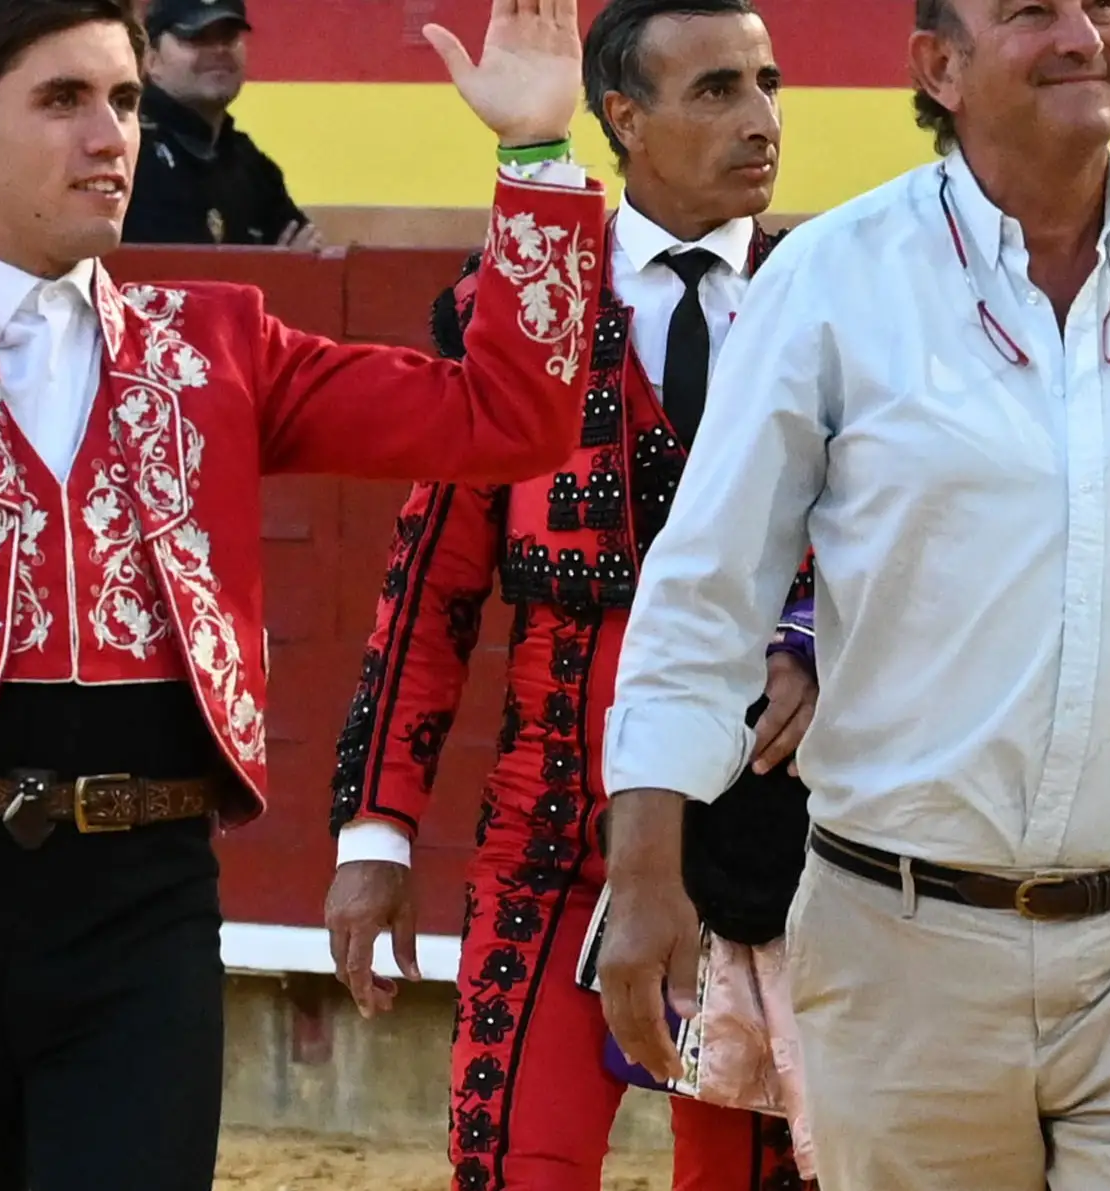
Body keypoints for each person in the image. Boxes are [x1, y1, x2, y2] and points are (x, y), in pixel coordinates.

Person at [0, 0, 604, 1187]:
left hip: (143, 895)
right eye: (64, 100)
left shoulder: (220, 343)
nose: (113, 136)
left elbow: (510, 417)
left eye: (127, 100)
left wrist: (536, 153)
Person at [589, 1, 1110, 1189]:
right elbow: (701, 597)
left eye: (1104, 5)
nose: (1083, 33)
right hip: (901, 943)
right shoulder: (828, 279)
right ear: (940, 66)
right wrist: (642, 875)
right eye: (1033, 11)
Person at [323, 3, 816, 1188]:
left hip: (769, 853)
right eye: (713, 91)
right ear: (622, 119)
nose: (759, 120)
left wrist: (814, 631)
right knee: (514, 1170)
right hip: (554, 836)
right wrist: (374, 829)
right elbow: (426, 595)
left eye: (765, 83)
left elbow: (920, 552)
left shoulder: (833, 303)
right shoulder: (515, 312)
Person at [120, 0, 315, 247]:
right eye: (196, 37)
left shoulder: (250, 164)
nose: (219, 49)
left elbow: (306, 257)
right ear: (151, 60)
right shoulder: (124, 150)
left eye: (229, 36)